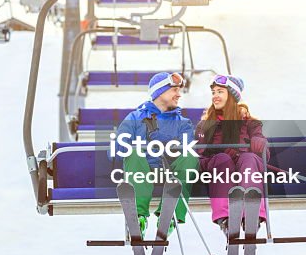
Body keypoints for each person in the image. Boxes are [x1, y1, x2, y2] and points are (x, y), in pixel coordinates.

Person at [113, 71, 199, 236]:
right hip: (143, 171)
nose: (178, 95)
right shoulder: (135, 118)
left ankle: (170, 214)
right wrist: (143, 145)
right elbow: (117, 148)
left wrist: (167, 144)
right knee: (134, 152)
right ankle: (137, 217)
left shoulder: (183, 123)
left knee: (190, 158)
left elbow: (187, 148)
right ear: (161, 92)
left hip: (169, 172)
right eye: (174, 90)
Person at [194, 76, 268, 234]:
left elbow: (264, 156)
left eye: (220, 91)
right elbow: (199, 157)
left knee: (248, 158)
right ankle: (226, 218)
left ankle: (251, 214)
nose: (215, 96)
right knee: (222, 160)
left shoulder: (250, 123)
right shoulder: (205, 126)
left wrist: (258, 143)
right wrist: (218, 154)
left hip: (245, 168)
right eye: (213, 92)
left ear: (232, 95)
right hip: (219, 170)